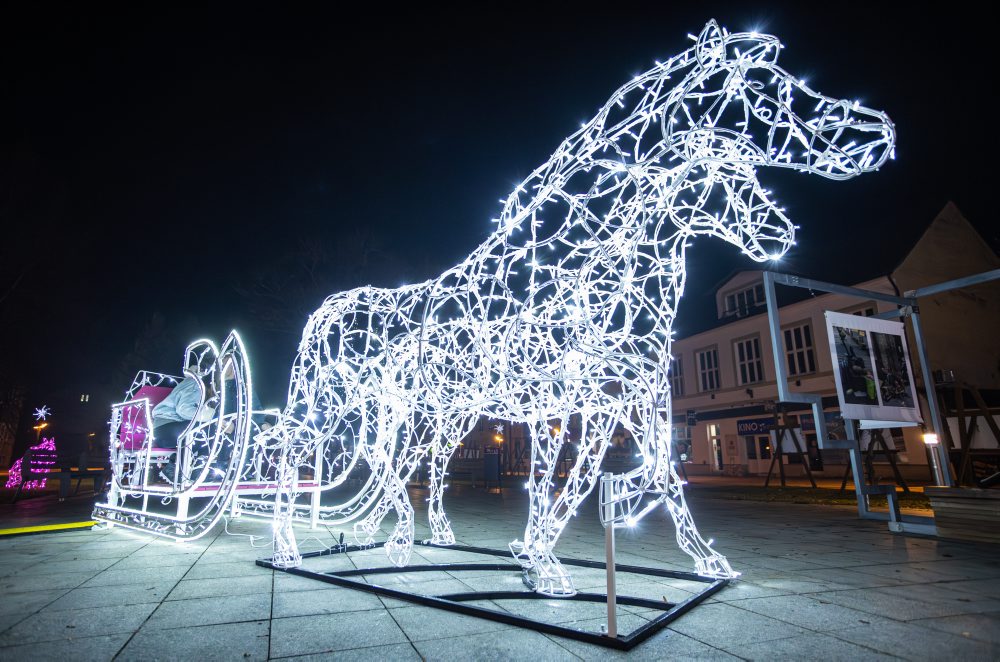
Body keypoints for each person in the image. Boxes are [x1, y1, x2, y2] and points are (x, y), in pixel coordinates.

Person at [151, 364, 263, 484]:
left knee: (213, 432)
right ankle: (174, 468)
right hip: (166, 428)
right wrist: (216, 417)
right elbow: (184, 409)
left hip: (173, 428)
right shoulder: (195, 383)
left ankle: (198, 471)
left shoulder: (200, 386)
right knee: (212, 429)